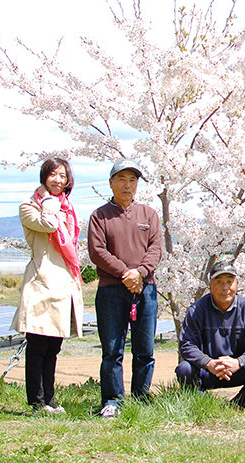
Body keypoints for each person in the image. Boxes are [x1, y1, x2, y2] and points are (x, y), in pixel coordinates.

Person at [88, 159, 164, 418]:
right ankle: (112, 400)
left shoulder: (148, 214)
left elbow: (156, 248)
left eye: (132, 180)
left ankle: (141, 398)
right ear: (111, 183)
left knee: (145, 349)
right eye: (121, 179)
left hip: (146, 289)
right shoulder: (100, 215)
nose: (127, 185)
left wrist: (139, 273)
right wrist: (125, 273)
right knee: (112, 349)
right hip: (111, 290)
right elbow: (97, 252)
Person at [10, 158, 84, 413]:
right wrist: (50, 203)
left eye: (63, 175)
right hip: (42, 280)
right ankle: (37, 401)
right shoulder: (30, 207)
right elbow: (49, 225)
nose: (58, 180)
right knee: (38, 344)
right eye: (53, 175)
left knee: (54, 346)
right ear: (43, 177)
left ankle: (49, 400)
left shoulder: (69, 209)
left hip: (63, 283)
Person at [176, 260, 245, 408]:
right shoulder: (197, 310)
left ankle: (241, 406)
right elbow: (186, 344)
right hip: (207, 370)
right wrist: (209, 363)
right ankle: (201, 404)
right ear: (210, 286)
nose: (225, 287)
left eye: (229, 281)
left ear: (237, 284)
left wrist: (238, 362)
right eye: (219, 282)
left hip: (237, 369)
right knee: (184, 369)